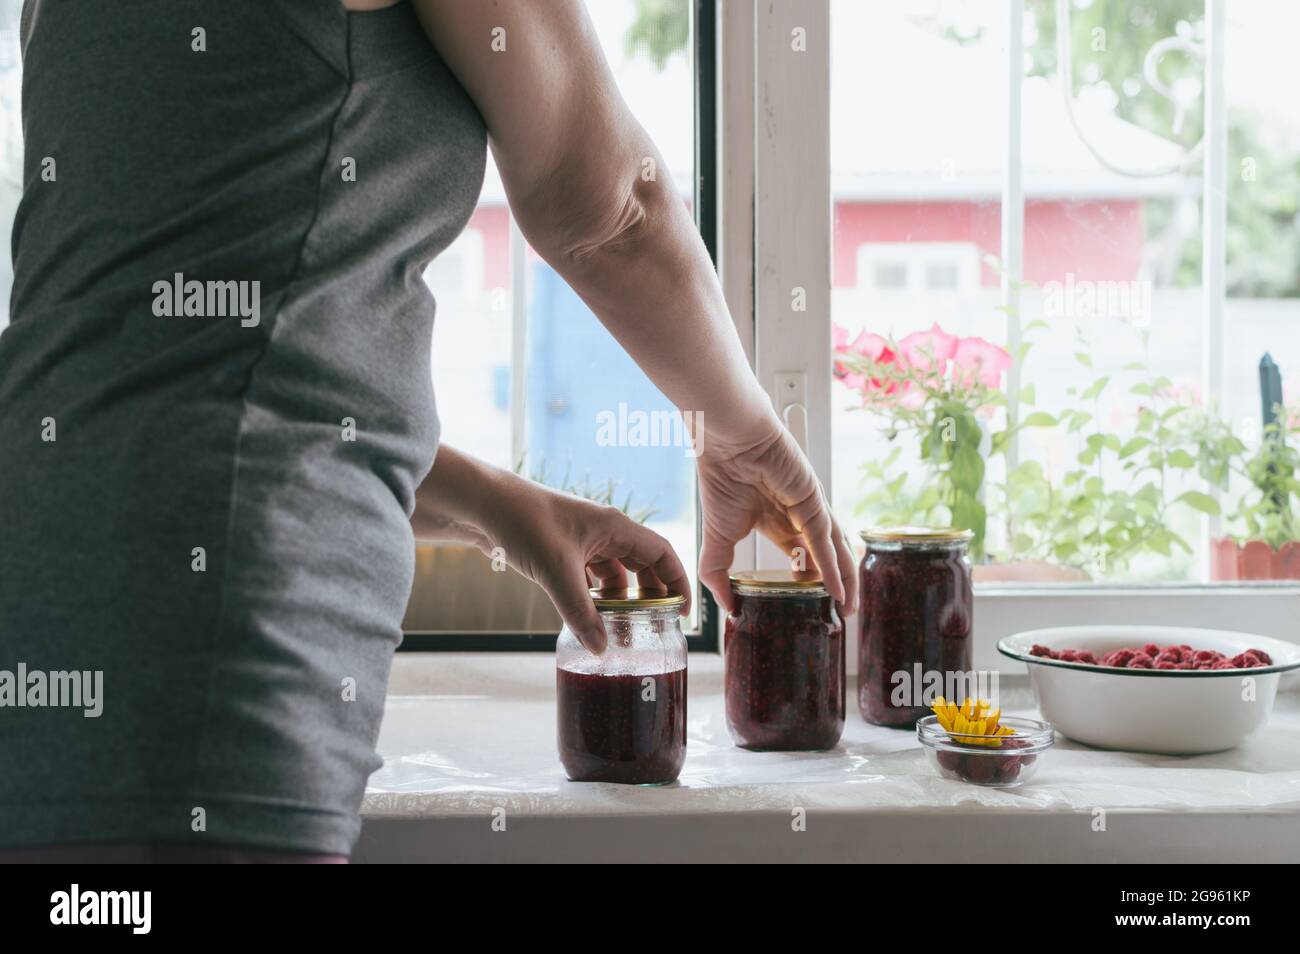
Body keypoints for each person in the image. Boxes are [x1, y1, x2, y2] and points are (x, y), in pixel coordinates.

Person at [0, 0, 856, 863]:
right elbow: (612, 208)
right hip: (205, 640)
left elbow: (165, 354)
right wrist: (744, 435)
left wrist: (493, 504)